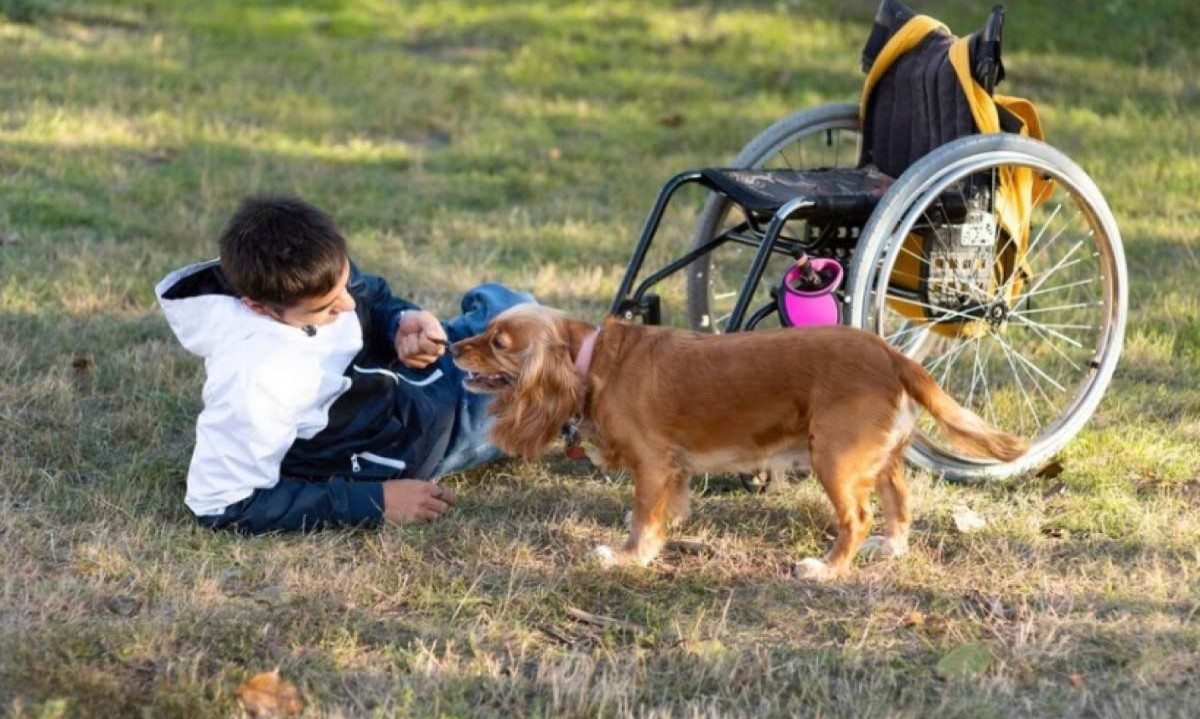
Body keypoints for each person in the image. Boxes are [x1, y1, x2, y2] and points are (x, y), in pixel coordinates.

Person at [155, 195, 533, 534]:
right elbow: (220, 504)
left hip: (408, 379)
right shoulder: (254, 378)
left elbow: (372, 298)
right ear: (256, 306)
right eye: (324, 308)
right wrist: (375, 501)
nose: (347, 305)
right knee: (540, 378)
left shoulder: (310, 265)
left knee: (509, 303)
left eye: (344, 283)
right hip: (412, 441)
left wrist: (401, 322)